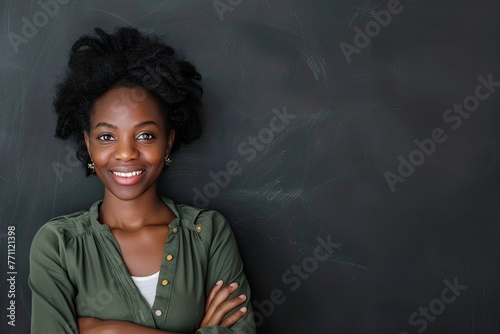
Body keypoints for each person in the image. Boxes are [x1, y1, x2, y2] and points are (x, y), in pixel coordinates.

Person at [29, 27, 256, 334]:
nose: (125, 153)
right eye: (107, 136)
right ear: (89, 144)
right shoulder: (58, 245)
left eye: (145, 135)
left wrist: (110, 331)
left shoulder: (209, 234)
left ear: (168, 142)